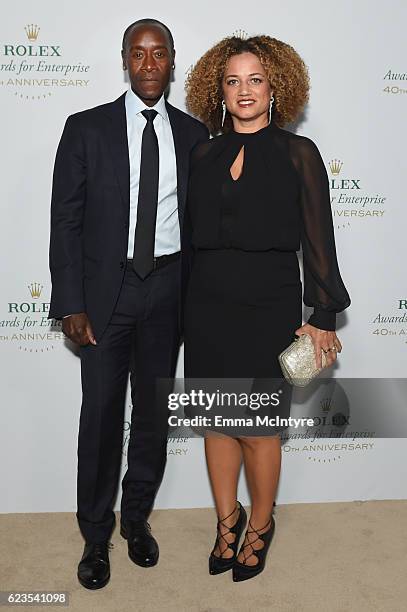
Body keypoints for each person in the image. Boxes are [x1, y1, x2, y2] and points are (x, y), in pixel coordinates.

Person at [48, 18, 208, 589]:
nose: (147, 64)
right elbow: (65, 220)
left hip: (168, 290)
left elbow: (206, 227)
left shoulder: (194, 137)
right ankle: (96, 535)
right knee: (100, 417)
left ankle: (136, 520)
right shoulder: (85, 129)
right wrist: (69, 301)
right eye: (137, 54)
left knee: (152, 416)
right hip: (104, 295)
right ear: (124, 60)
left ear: (171, 62)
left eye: (158, 54)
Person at [184, 35, 350, 582]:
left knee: (257, 426)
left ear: (275, 86)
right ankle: (225, 523)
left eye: (255, 79)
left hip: (269, 302)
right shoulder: (202, 153)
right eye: (233, 81)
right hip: (207, 303)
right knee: (216, 424)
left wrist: (323, 312)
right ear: (219, 90)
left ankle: (259, 525)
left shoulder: (297, 153)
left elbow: (317, 238)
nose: (244, 90)